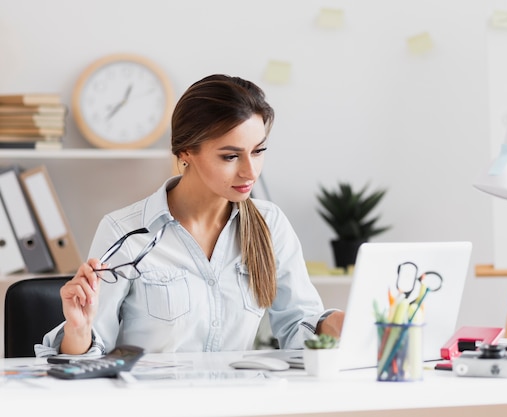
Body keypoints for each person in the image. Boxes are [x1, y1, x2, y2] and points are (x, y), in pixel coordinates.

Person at [35, 74, 344, 357]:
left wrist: (339, 325)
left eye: (259, 151)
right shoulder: (125, 231)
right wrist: (78, 329)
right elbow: (92, 352)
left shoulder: (269, 224)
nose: (250, 171)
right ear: (185, 152)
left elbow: (298, 326)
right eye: (231, 156)